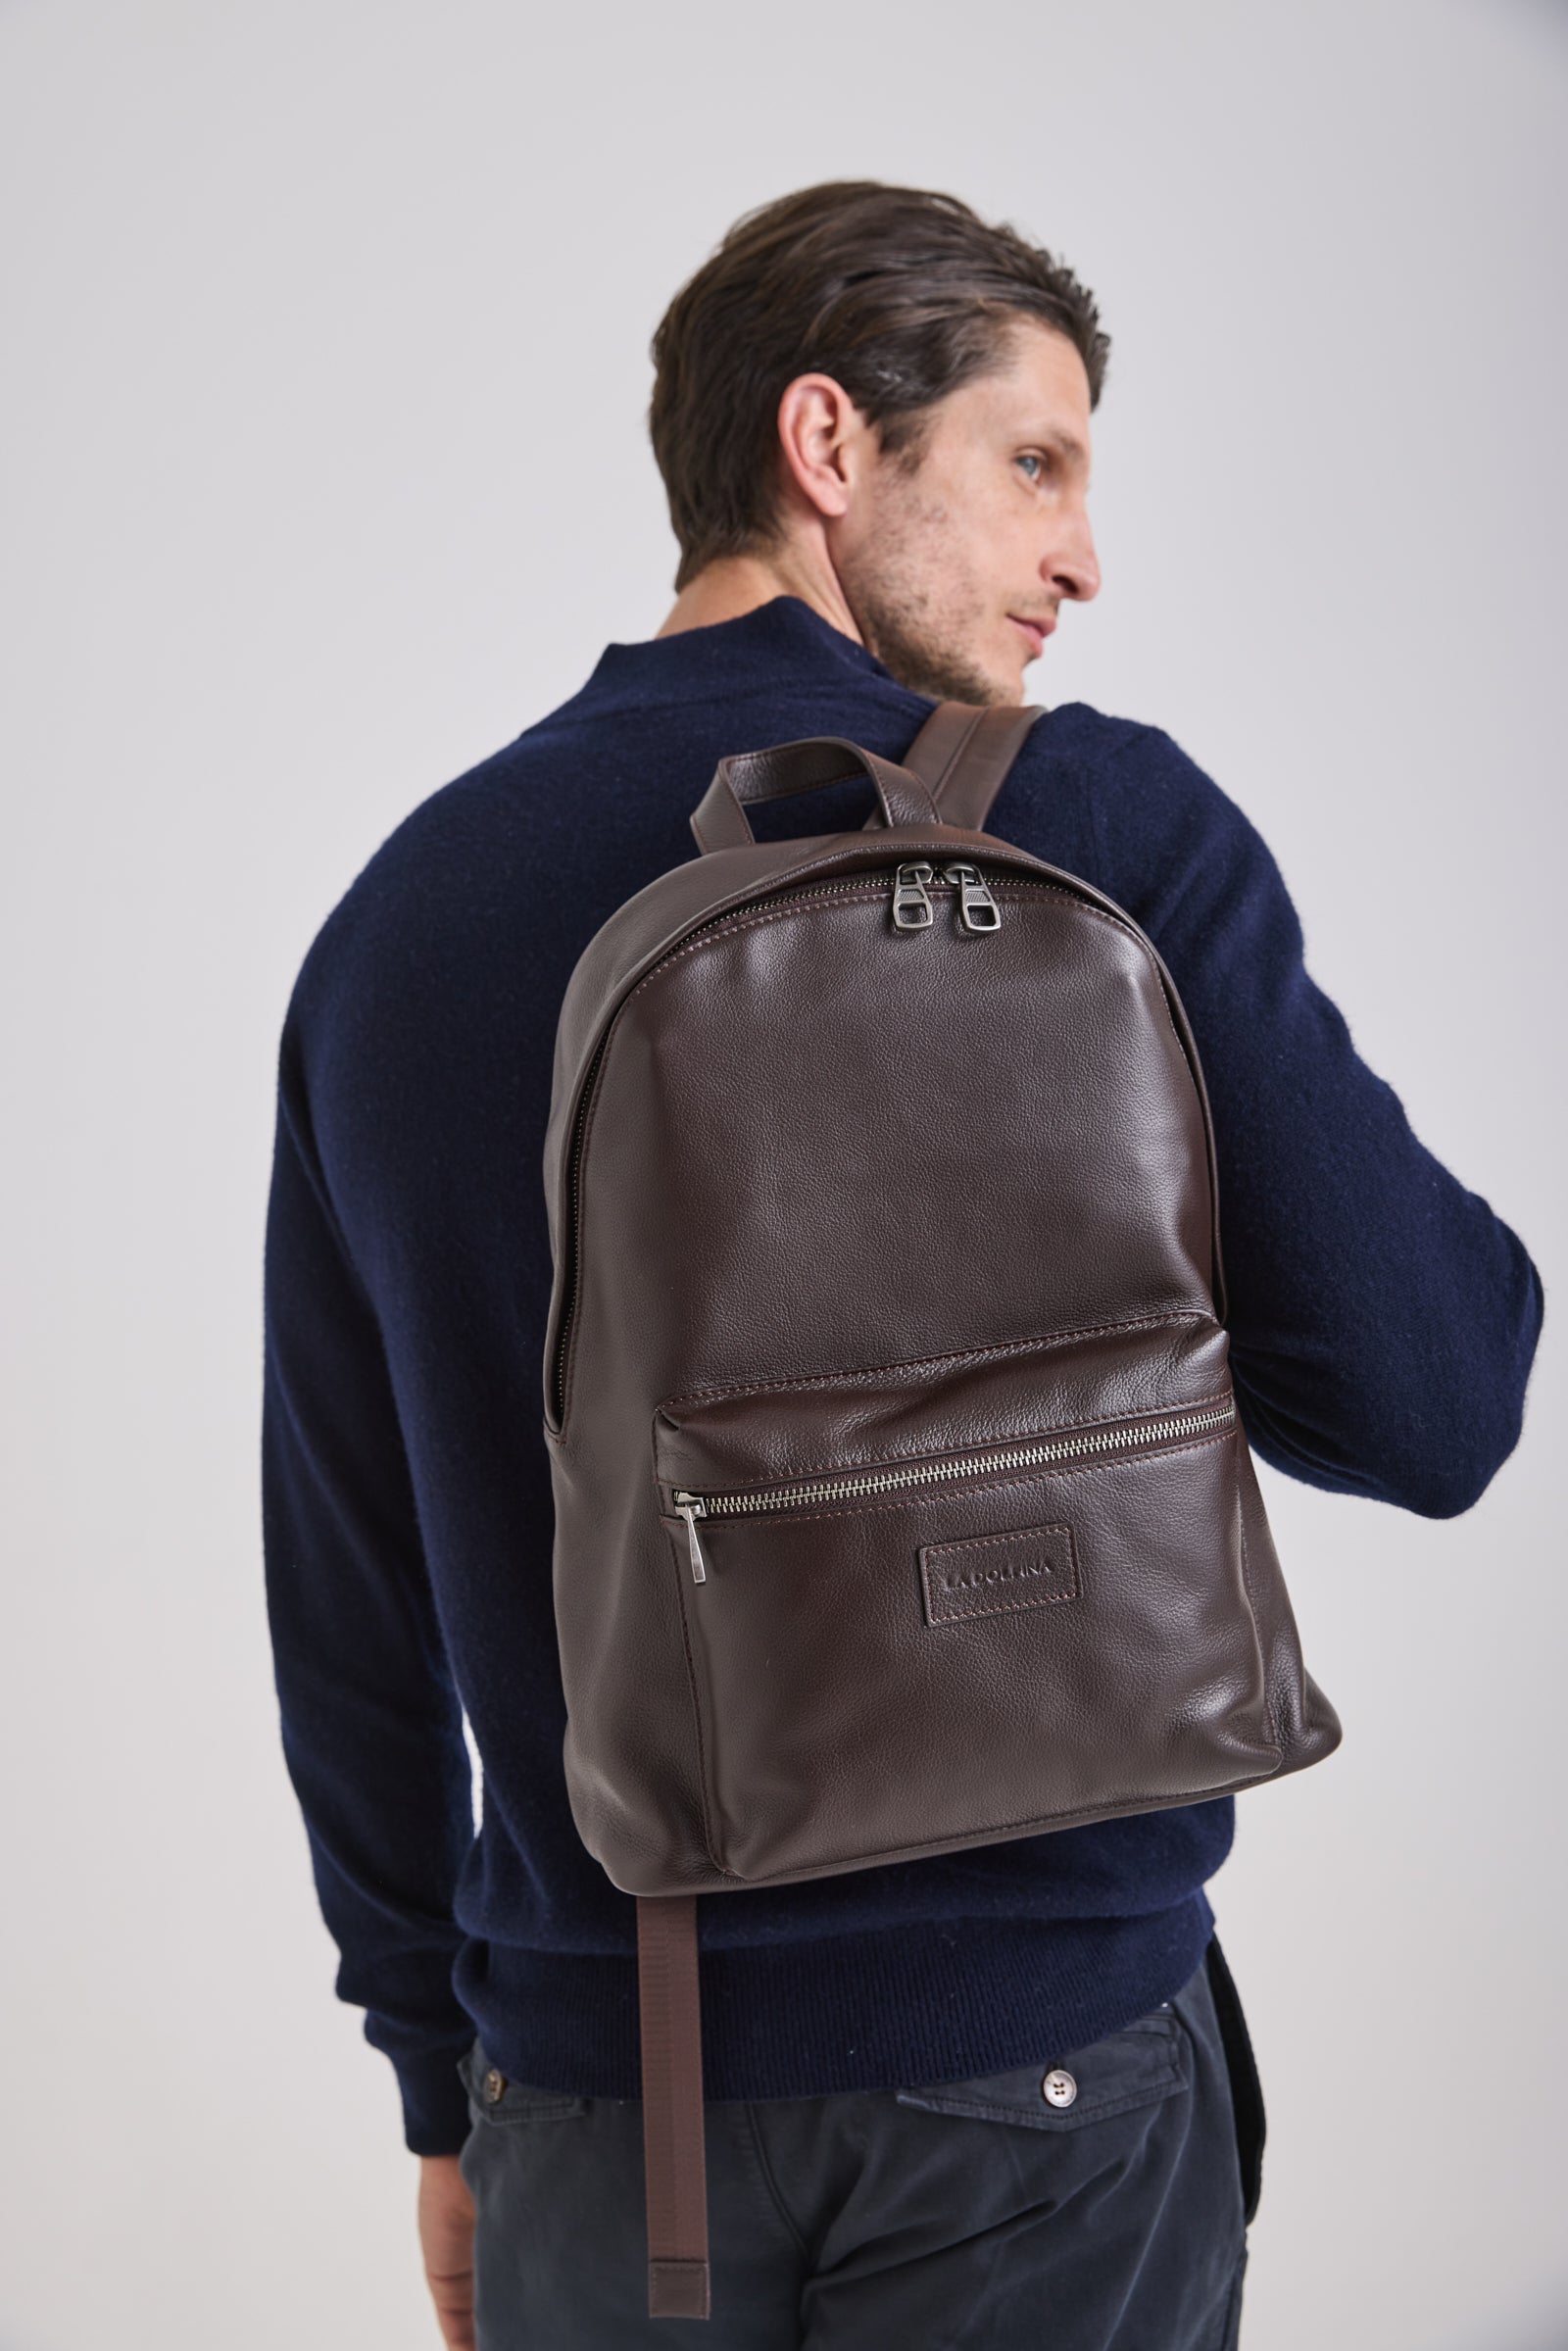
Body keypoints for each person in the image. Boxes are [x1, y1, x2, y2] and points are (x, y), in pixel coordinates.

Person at [261, 181, 1544, 2349]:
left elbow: (346, 1577)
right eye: (1033, 463)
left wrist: (434, 2082)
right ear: (829, 444)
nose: (1082, 557)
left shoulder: (394, 930)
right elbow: (1431, 1401)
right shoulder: (1099, 830)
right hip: (1040, 2087)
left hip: (589, 2110)